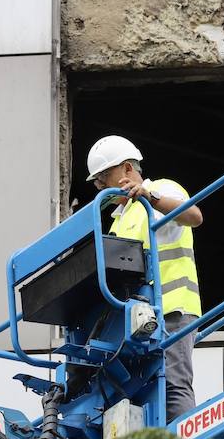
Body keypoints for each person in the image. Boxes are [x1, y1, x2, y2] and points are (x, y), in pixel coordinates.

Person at [86, 135, 203, 422]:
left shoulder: (161, 190)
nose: (100, 187)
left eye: (103, 178)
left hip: (173, 310)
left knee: (172, 385)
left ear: (127, 168)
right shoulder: (119, 218)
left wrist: (150, 197)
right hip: (136, 323)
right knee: (134, 397)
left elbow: (194, 215)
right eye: (97, 183)